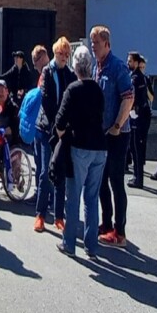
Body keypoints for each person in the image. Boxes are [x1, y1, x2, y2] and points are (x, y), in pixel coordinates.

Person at [55, 45, 108, 259]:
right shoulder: (97, 89)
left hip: (80, 146)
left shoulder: (73, 89)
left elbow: (59, 122)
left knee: (74, 196)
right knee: (92, 198)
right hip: (100, 147)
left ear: (75, 66)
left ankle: (69, 243)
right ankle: (91, 247)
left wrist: (64, 136)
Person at [91, 25, 134, 248]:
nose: (93, 46)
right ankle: (106, 224)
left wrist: (117, 124)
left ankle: (120, 231)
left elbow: (129, 98)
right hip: (101, 134)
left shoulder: (117, 67)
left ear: (107, 44)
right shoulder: (96, 68)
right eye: (92, 42)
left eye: (96, 42)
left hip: (117, 134)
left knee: (116, 181)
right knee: (101, 180)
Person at [33, 37, 75, 233]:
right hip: (46, 129)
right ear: (55, 53)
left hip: (62, 130)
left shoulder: (70, 74)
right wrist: (56, 123)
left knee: (61, 174)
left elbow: (72, 101)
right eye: (61, 53)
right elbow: (47, 101)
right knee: (44, 174)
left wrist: (64, 125)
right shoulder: (47, 72)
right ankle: (40, 215)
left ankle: (59, 216)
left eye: (67, 54)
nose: (64, 57)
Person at [126, 51, 152, 189]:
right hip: (135, 114)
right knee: (134, 147)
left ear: (136, 62)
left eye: (130, 61)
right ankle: (137, 176)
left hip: (138, 114)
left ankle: (138, 178)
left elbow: (137, 96)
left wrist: (133, 109)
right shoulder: (134, 76)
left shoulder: (137, 77)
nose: (128, 63)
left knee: (137, 148)